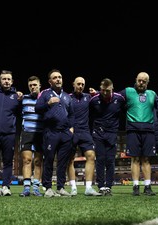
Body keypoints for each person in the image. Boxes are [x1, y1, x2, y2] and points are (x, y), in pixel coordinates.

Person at [35, 69, 74, 197]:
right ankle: (47, 188)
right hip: (51, 131)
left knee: (63, 161)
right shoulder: (45, 94)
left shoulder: (67, 96)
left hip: (65, 133)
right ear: (50, 81)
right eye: (55, 77)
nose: (58, 79)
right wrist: (48, 103)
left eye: (60, 77)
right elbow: (37, 109)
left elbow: (72, 114)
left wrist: (71, 128)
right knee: (49, 159)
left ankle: (61, 187)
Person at [119, 72, 157, 196]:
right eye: (139, 80)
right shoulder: (128, 91)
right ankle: (135, 186)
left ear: (147, 82)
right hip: (133, 130)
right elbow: (112, 96)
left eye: (144, 81)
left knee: (146, 159)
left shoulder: (152, 94)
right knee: (134, 159)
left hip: (148, 130)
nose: (141, 83)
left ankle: (147, 186)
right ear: (136, 80)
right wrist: (97, 93)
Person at [0, 70, 21, 197]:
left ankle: (6, 186)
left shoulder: (17, 97)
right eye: (4, 79)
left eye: (8, 79)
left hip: (9, 134)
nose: (6, 81)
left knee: (8, 162)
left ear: (12, 82)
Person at [89, 78, 126, 196]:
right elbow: (88, 114)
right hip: (98, 133)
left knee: (110, 160)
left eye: (108, 91)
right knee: (100, 160)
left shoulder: (120, 98)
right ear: (100, 89)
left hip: (112, 134)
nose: (105, 93)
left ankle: (108, 186)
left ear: (112, 89)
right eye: (103, 90)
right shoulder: (94, 99)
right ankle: (101, 186)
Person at [67, 77, 101, 196]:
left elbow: (102, 98)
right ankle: (73, 187)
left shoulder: (88, 97)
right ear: (73, 84)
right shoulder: (67, 97)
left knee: (91, 156)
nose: (81, 86)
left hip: (85, 131)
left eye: (82, 84)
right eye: (78, 84)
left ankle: (88, 188)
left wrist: (96, 92)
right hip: (72, 131)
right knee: (69, 159)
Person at [19, 75, 44, 197]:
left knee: (38, 161)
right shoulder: (23, 99)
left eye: (35, 85)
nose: (33, 87)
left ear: (40, 85)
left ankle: (36, 188)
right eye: (30, 85)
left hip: (41, 133)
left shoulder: (44, 98)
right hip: (27, 132)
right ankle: (26, 188)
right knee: (27, 160)